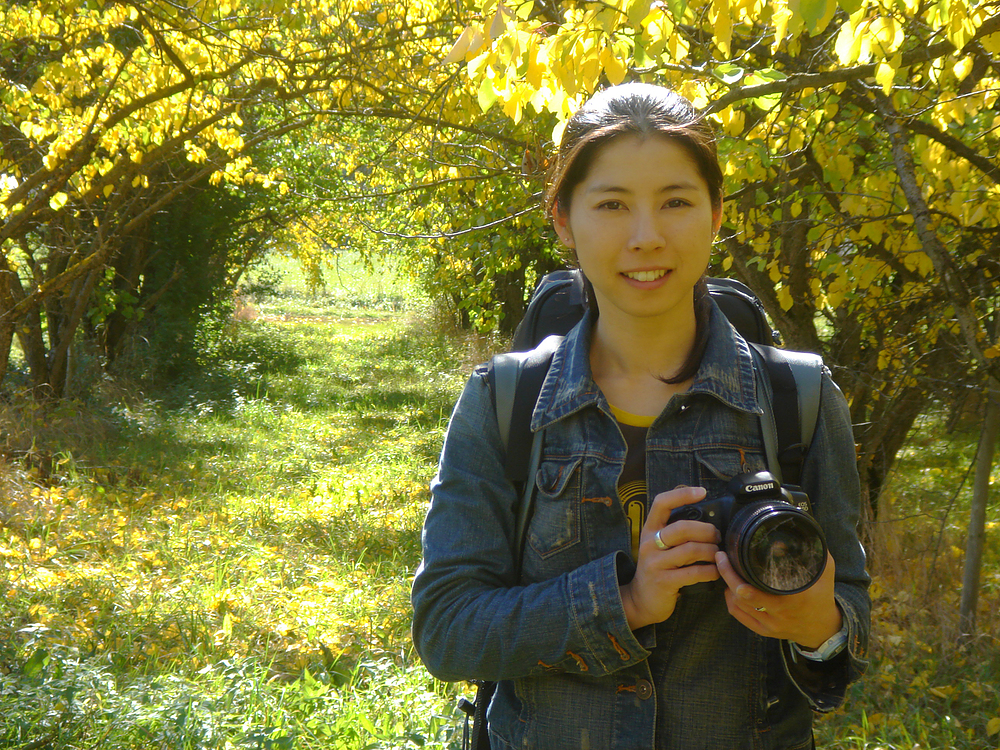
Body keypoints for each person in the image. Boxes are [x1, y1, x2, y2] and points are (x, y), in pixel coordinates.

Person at [411, 82, 870, 750]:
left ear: (716, 213)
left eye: (676, 202)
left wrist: (815, 623)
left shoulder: (797, 399)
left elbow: (848, 630)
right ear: (565, 220)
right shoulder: (503, 403)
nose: (646, 237)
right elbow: (448, 631)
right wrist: (625, 602)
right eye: (613, 205)